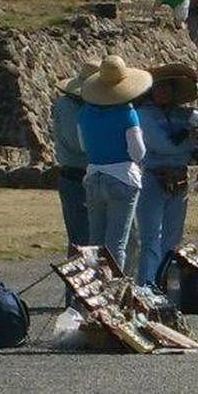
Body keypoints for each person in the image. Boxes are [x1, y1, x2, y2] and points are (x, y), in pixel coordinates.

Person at [78, 55, 153, 269]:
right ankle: (115, 293)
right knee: (117, 244)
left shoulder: (84, 113)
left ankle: (93, 291)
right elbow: (138, 151)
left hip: (94, 176)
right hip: (122, 177)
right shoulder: (127, 114)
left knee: (95, 243)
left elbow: (84, 147)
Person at [135, 71, 198, 286]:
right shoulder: (144, 115)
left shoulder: (181, 115)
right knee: (151, 236)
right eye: (160, 88)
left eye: (168, 88)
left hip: (179, 178)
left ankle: (167, 281)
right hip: (153, 177)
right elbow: (162, 145)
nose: (164, 92)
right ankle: (147, 284)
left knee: (173, 237)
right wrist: (190, 141)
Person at [52, 60, 100, 305]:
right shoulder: (69, 107)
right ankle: (76, 296)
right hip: (76, 175)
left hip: (89, 174)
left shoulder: (84, 107)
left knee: (95, 238)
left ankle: (91, 293)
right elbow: (78, 144)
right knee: (81, 239)